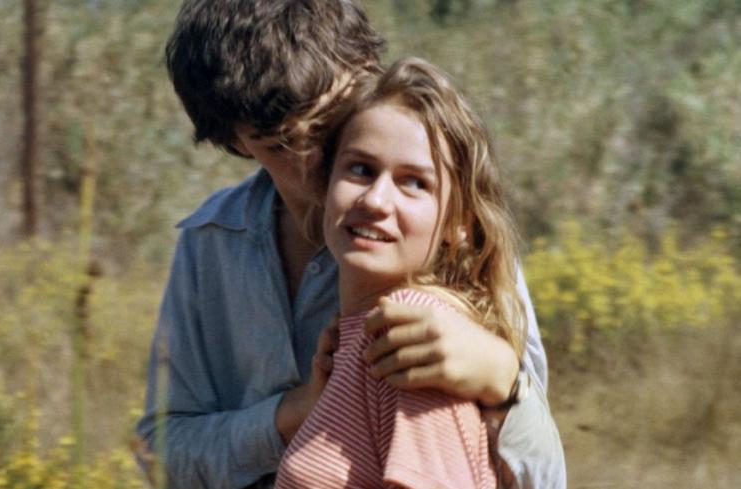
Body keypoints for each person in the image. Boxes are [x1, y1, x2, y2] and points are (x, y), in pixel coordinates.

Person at [137, 1, 564, 488]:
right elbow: (161, 452)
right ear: (235, 141)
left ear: (364, 74)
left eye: (328, 124)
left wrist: (501, 379)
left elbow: (546, 474)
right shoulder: (211, 242)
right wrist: (293, 414)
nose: (314, 159)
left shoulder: (443, 238)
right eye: (279, 144)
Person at [276, 57, 561, 488]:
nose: (376, 200)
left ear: (458, 225)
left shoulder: (415, 334)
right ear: (326, 183)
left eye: (414, 183)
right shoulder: (357, 336)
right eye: (360, 169)